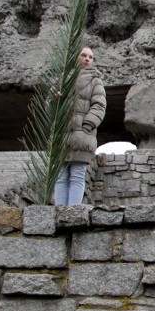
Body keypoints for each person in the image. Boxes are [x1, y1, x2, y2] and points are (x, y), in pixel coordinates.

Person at [55, 47, 106, 206]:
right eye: (83, 55)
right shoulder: (63, 79)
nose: (87, 59)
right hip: (62, 135)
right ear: (76, 57)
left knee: (77, 175)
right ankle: (60, 212)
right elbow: (49, 105)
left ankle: (72, 214)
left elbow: (99, 105)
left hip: (83, 135)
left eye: (90, 57)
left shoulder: (95, 80)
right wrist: (54, 99)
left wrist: (88, 125)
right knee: (61, 176)